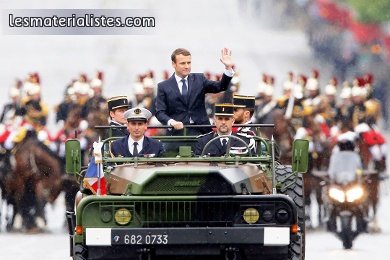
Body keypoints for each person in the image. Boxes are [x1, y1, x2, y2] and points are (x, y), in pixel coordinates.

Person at [155, 48, 234, 136]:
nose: (186, 66)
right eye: (182, 63)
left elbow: (221, 86)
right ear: (174, 64)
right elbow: (159, 112)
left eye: (189, 63)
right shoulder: (164, 86)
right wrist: (171, 122)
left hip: (201, 132)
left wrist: (228, 68)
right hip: (176, 134)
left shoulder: (199, 79)